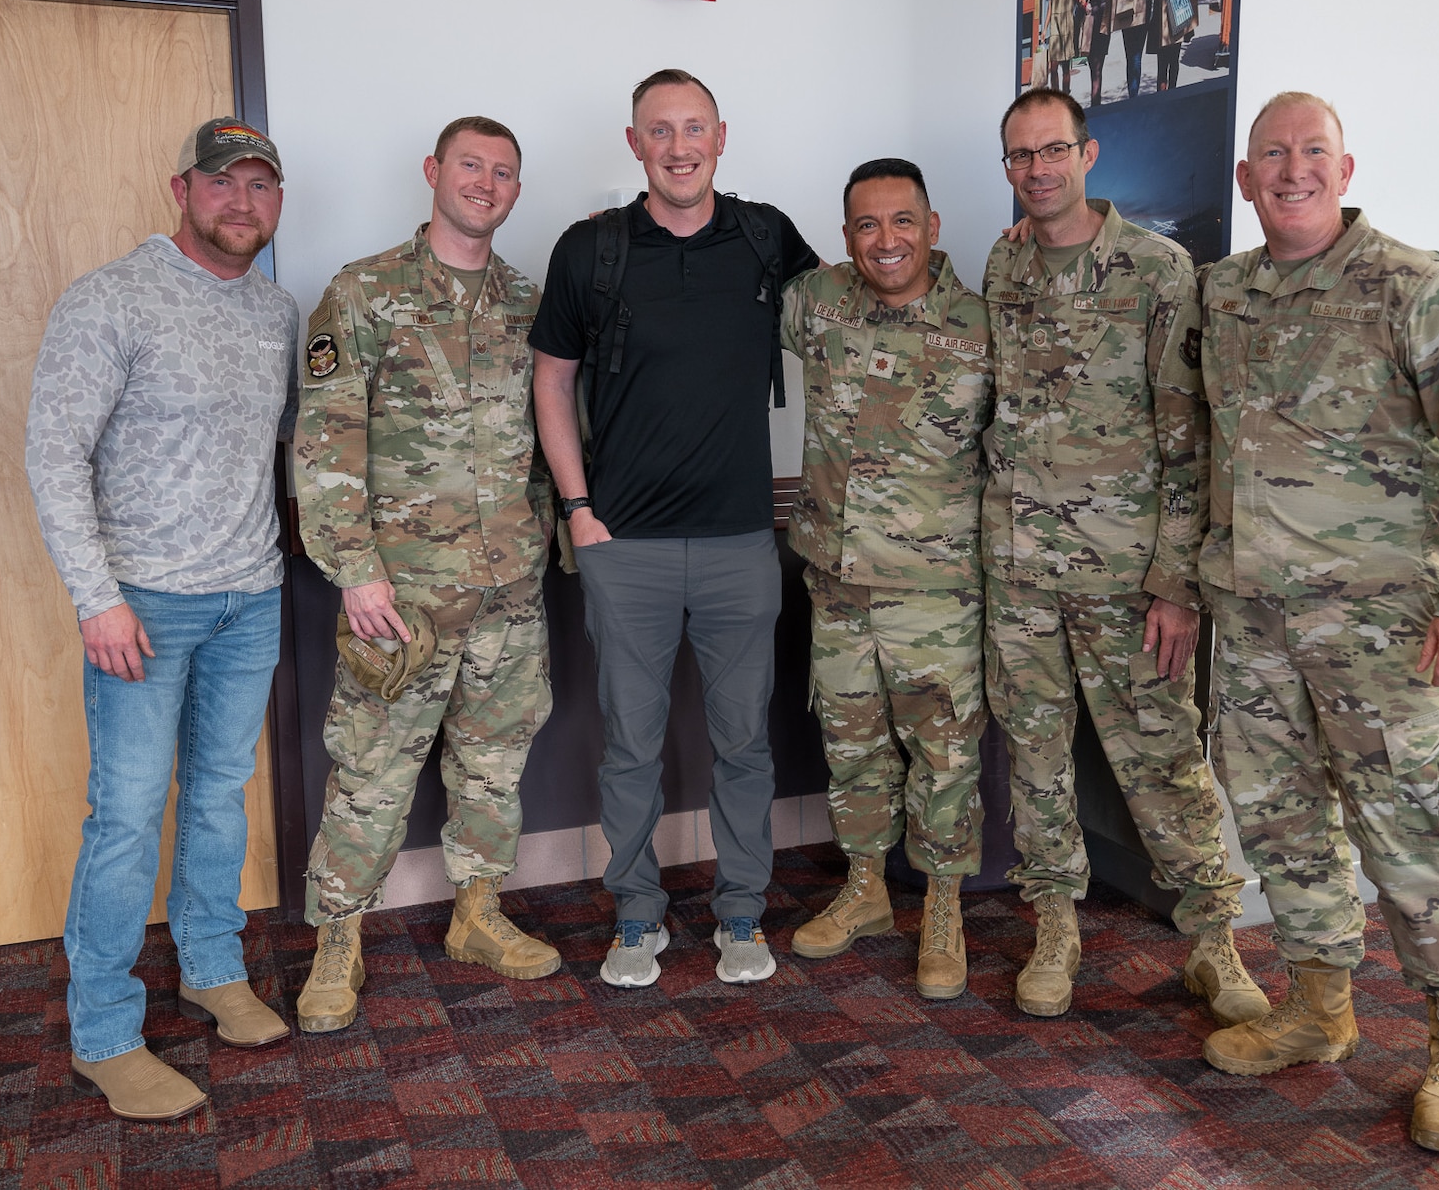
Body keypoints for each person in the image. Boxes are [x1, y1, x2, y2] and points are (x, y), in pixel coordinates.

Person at [1194, 92, 1439, 1157]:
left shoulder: (1417, 287)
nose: (1291, 170)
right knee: (1277, 820)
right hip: (1251, 618)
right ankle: (1317, 1004)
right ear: (1243, 179)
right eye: (1272, 155)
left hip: (1384, 630)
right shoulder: (1223, 296)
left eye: (1312, 152)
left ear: (1344, 170)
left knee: (1411, 832)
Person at [26, 117, 295, 1122]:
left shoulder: (275, 311)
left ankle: (213, 968)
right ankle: (104, 1029)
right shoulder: (110, 300)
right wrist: (96, 595)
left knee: (222, 794)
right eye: (224, 183)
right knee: (128, 816)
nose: (243, 201)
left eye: (262, 185)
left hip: (250, 598)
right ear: (181, 188)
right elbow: (54, 453)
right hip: (141, 607)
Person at [531, 70, 820, 989]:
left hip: (742, 542)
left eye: (695, 128)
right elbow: (550, 380)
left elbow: (862, 310)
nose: (680, 145)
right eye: (661, 130)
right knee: (630, 744)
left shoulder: (767, 237)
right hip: (627, 548)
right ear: (635, 144)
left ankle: (741, 910)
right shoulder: (592, 251)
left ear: (721, 137)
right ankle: (636, 914)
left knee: (744, 743)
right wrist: (579, 511)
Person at [982, 89, 1266, 1024]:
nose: (1038, 170)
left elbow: (1189, 438)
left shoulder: (1156, 269)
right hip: (1020, 569)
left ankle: (1214, 942)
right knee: (1035, 759)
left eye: (1053, 150)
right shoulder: (1003, 264)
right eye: (1021, 156)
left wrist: (1177, 585)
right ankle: (1056, 926)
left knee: (1164, 761)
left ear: (1088, 153)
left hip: (1125, 577)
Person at [291, 116, 561, 1033]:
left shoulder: (529, 303)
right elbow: (328, 441)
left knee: (494, 763)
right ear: (433, 172)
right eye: (470, 165)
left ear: (517, 191)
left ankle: (478, 913)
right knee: (370, 770)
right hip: (399, 598)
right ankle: (338, 935)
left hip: (507, 591)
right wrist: (356, 574)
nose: (486, 183)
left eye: (504, 173)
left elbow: (547, 442)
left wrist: (546, 549)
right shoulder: (364, 293)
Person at [779, 159, 994, 1000]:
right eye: (867, 226)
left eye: (902, 221)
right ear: (845, 238)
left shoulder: (983, 324)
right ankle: (865, 887)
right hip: (835, 581)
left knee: (942, 754)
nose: (886, 240)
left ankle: (943, 907)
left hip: (936, 590)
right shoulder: (817, 303)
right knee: (851, 742)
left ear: (933, 227)